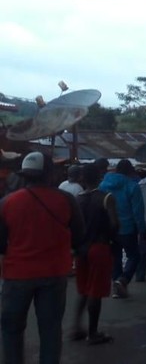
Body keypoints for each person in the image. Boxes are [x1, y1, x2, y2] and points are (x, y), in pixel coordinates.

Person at [0, 152, 86, 363]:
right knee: (50, 330)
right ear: (50, 173)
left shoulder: (7, 202)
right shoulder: (66, 200)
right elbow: (79, 238)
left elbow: (1, 244)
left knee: (11, 329)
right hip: (54, 274)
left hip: (16, 275)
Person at [71, 163, 118, 345]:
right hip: (99, 247)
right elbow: (114, 224)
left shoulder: (77, 199)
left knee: (83, 290)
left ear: (82, 178)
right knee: (95, 291)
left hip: (81, 248)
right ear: (100, 177)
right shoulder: (106, 198)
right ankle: (93, 333)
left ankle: (76, 327)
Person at [99, 159, 145, 299]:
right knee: (134, 256)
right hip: (127, 228)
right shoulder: (132, 186)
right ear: (130, 171)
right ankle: (123, 280)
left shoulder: (103, 185)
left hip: (109, 228)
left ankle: (116, 288)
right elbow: (138, 211)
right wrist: (142, 229)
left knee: (116, 257)